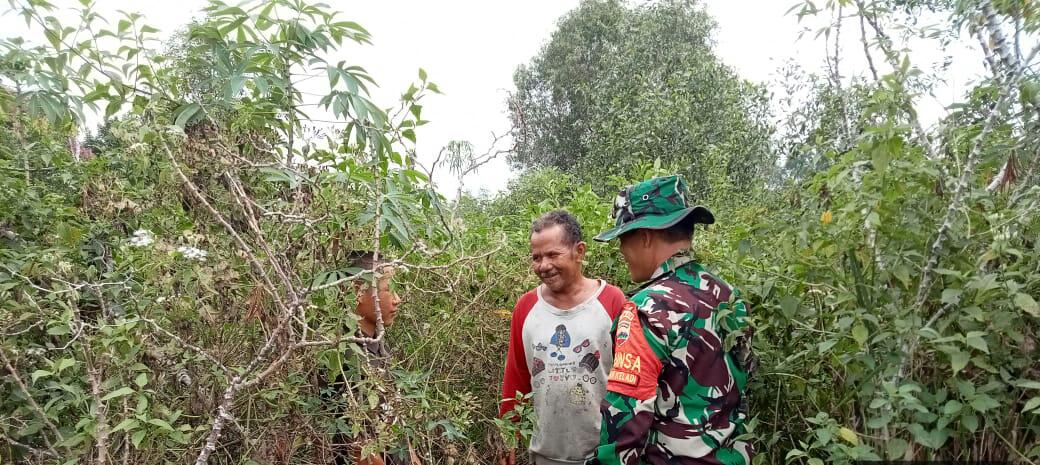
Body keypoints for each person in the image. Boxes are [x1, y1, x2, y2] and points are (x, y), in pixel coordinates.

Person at [588, 175, 755, 465]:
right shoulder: (729, 296)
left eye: (623, 240)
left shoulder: (647, 309)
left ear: (644, 237)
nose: (622, 252)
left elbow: (625, 420)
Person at [500, 211, 627, 465]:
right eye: (536, 257)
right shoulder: (526, 307)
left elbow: (629, 379)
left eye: (552, 254)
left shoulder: (612, 301)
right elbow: (516, 376)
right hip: (547, 453)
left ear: (579, 252)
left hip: (604, 453)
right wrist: (508, 435)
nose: (543, 265)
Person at [331, 251, 418, 465]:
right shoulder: (347, 357)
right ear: (358, 292)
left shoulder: (376, 343)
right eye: (389, 290)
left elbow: (393, 415)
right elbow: (357, 446)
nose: (397, 300)